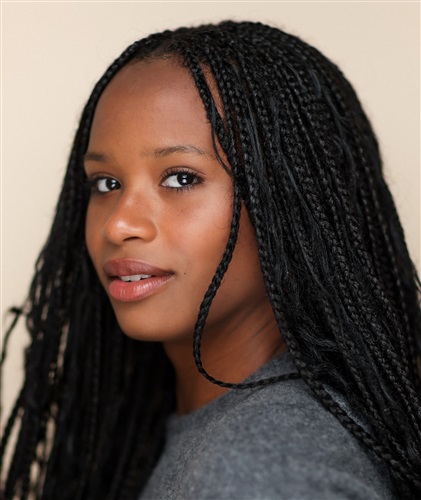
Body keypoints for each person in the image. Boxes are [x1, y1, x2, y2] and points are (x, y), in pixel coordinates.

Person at [1, 20, 420, 500]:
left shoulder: (265, 468)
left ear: (290, 202)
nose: (118, 224)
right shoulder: (179, 428)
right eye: (106, 183)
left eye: (180, 178)